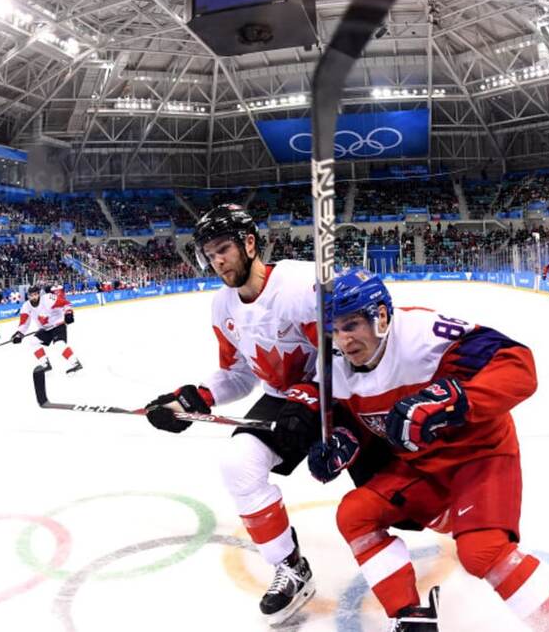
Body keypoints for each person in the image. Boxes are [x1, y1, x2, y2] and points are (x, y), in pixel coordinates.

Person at [142, 205, 388, 624]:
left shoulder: (296, 285)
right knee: (238, 464)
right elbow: (237, 375)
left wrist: (311, 395)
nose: (217, 261)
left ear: (249, 244)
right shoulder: (223, 307)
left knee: (397, 496)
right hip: (285, 399)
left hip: (341, 392)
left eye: (223, 249)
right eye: (209, 253)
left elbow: (345, 350)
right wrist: (193, 399)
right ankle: (290, 567)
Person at [302, 269, 549, 631]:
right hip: (420, 467)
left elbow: (519, 366)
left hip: (480, 455)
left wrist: (451, 401)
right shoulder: (334, 368)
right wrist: (342, 443)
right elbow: (359, 423)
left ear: (382, 317)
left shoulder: (426, 335)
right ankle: (410, 617)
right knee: (354, 514)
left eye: (353, 324)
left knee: (481, 550)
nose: (344, 340)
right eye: (336, 329)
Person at [12, 285, 83, 374]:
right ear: (28, 296)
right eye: (31, 295)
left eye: (35, 294)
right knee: (33, 342)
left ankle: (75, 363)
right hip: (45, 329)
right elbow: (24, 323)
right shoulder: (26, 306)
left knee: (59, 344)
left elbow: (65, 303)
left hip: (58, 325)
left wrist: (68, 313)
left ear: (39, 294)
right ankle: (46, 364)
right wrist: (19, 334)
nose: (34, 297)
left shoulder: (48, 299)